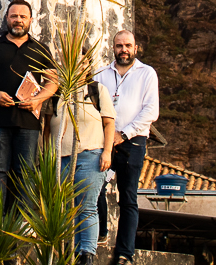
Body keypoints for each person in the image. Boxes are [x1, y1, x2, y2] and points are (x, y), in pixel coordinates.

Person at [0, 0, 57, 201]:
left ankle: (24, 218)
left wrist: (38, 100)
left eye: (22, 16)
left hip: (29, 122)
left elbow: (53, 81)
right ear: (7, 18)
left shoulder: (40, 48)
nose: (18, 20)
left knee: (26, 172)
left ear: (30, 20)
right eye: (14, 16)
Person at [93, 30, 158, 265]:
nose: (124, 50)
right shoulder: (101, 75)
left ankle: (124, 253)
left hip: (133, 142)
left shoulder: (147, 74)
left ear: (135, 48)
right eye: (119, 46)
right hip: (104, 141)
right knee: (96, 187)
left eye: (128, 45)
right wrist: (108, 135)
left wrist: (124, 133)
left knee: (128, 197)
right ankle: (100, 234)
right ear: (113, 48)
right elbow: (93, 106)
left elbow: (151, 111)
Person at [53, 66, 115, 265]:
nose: (76, 64)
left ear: (88, 65)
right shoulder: (57, 92)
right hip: (61, 157)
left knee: (86, 206)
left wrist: (107, 152)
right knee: (66, 208)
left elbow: (109, 123)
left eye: (81, 60)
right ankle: (71, 253)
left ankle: (86, 254)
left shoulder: (96, 90)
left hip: (90, 154)